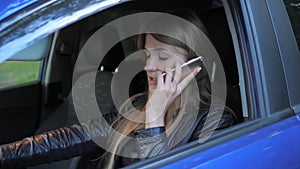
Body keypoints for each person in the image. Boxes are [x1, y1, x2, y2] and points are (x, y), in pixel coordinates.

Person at [0, 10, 236, 169]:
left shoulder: (213, 122)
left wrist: (154, 119)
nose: (148, 66)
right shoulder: (134, 106)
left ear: (193, 64)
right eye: (146, 55)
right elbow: (70, 139)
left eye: (162, 56)